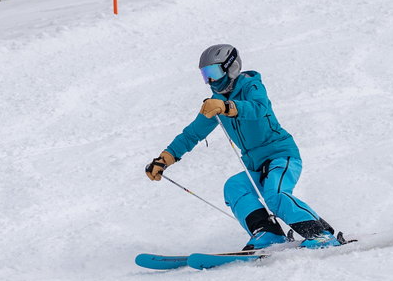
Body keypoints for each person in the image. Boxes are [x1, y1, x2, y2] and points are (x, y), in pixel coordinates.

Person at [144, 44, 343, 250]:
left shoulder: (251, 86)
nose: (210, 80)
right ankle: (268, 233)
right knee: (234, 187)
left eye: (213, 72)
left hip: (281, 156)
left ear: (231, 67)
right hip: (255, 165)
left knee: (274, 195)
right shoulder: (216, 102)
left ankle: (320, 234)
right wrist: (164, 158)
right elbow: (192, 134)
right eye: (205, 75)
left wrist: (228, 107)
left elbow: (259, 108)